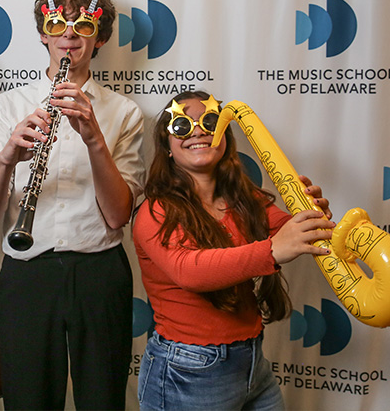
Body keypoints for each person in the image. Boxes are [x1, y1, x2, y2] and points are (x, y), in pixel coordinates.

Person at [0, 0, 145, 410]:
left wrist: (94, 139)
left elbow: (119, 215)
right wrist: (9, 154)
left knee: (103, 400)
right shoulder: (6, 107)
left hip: (99, 273)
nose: (70, 36)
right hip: (28, 274)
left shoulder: (123, 112)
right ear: (42, 34)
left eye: (84, 27)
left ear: (99, 38)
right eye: (58, 25)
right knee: (29, 401)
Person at [133, 90, 334, 411]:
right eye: (182, 126)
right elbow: (190, 270)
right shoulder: (156, 211)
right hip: (190, 370)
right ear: (167, 148)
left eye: (209, 122)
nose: (198, 130)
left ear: (224, 137)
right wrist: (272, 251)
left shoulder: (243, 200)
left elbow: (289, 230)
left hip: (251, 361)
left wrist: (311, 216)